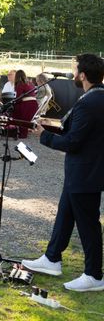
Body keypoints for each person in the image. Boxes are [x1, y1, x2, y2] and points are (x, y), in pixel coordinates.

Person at [22, 54, 104, 292]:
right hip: (84, 171)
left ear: (83, 75)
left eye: (74, 69)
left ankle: (94, 275)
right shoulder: (95, 97)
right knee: (65, 215)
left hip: (86, 172)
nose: (72, 74)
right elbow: (81, 132)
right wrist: (50, 128)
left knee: (88, 224)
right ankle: (52, 258)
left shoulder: (89, 102)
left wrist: (43, 136)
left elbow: (73, 142)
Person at [12, 69, 38, 138]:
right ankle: (22, 132)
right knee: (26, 119)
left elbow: (18, 97)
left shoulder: (20, 84)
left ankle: (21, 133)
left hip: (27, 104)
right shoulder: (30, 83)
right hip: (34, 103)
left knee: (20, 117)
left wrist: (13, 103)